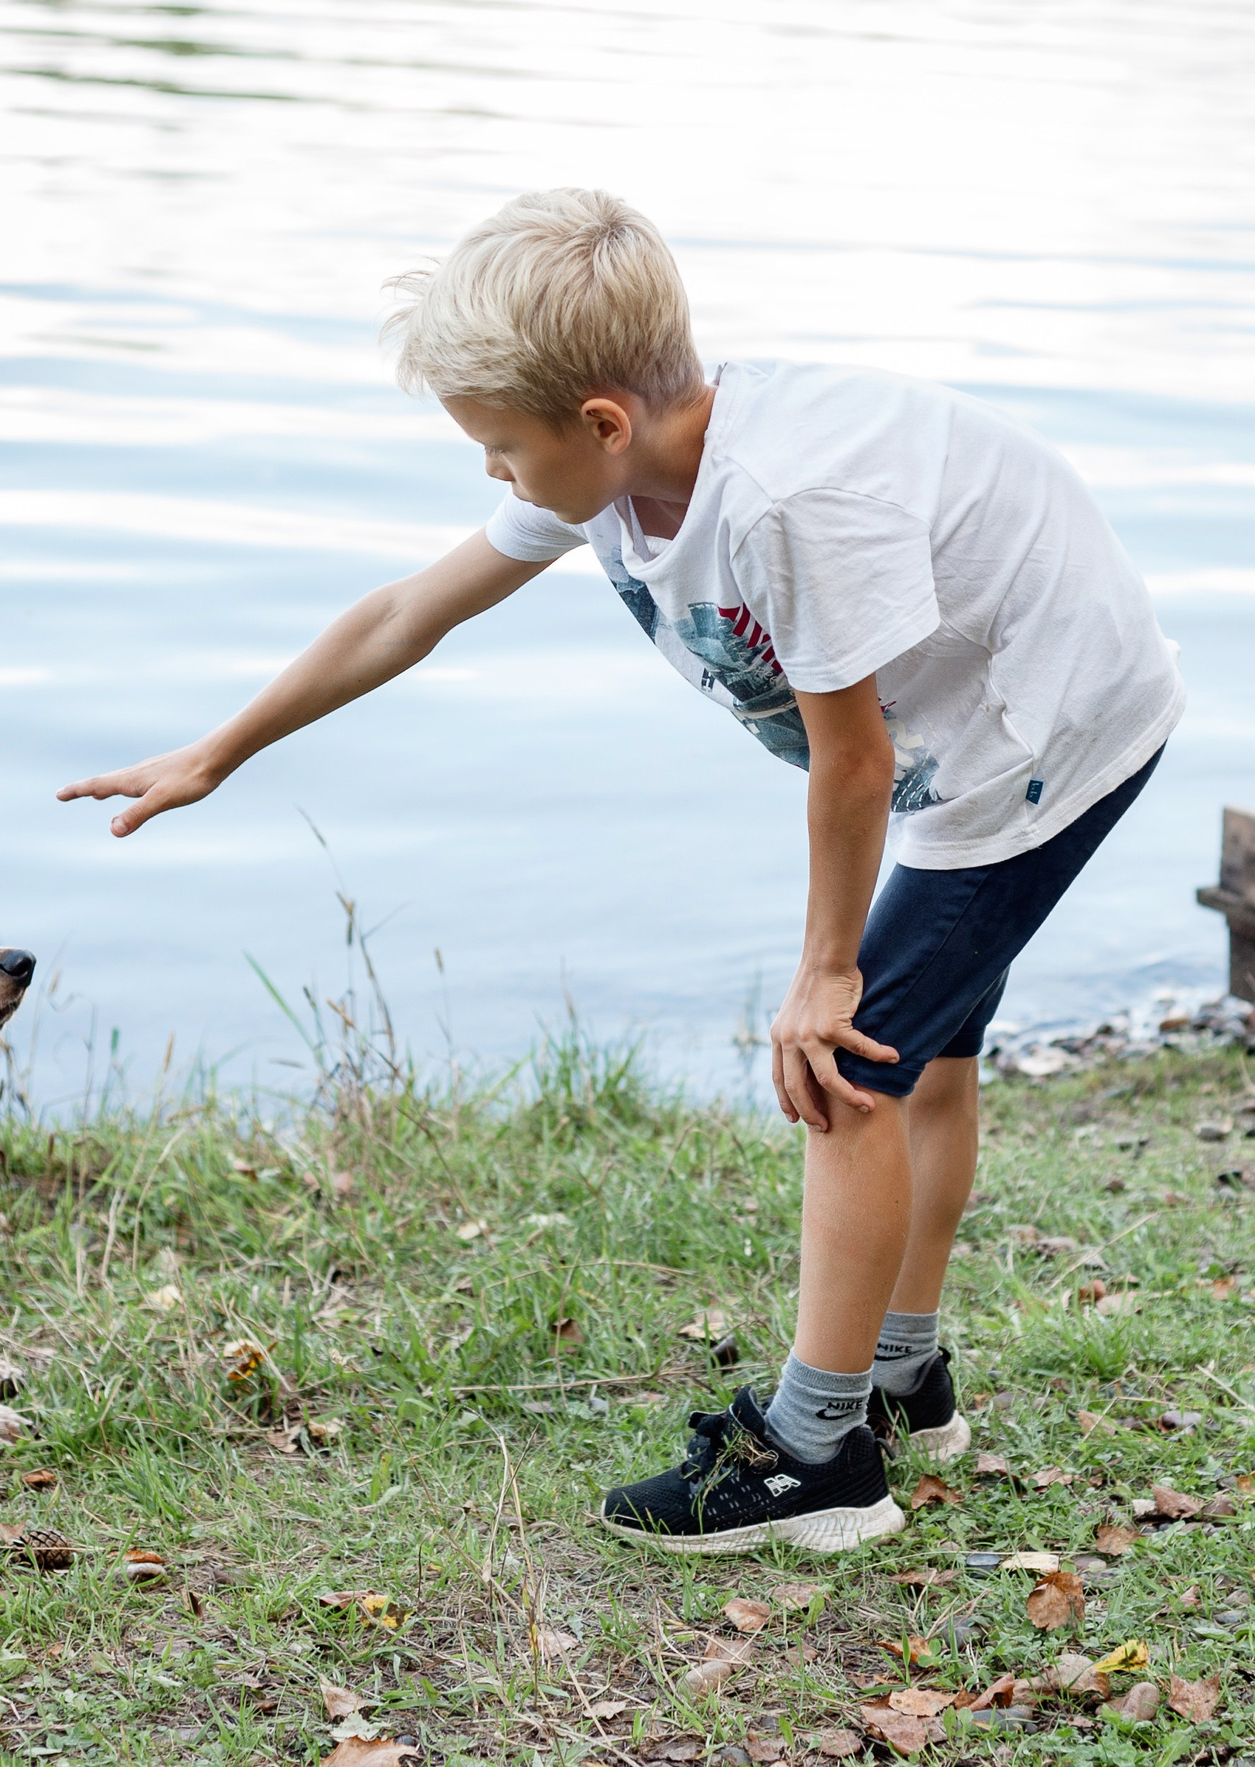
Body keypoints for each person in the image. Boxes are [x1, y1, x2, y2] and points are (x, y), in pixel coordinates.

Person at [58, 188, 1183, 1555]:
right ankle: (903, 1376)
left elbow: (856, 764)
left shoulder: (783, 503)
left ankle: (818, 1453)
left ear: (599, 419)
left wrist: (824, 969)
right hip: (985, 727)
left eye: (499, 450)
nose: (494, 477)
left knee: (846, 1066)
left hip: (1042, 735)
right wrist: (219, 751)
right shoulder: (631, 471)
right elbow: (410, 610)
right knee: (927, 1056)